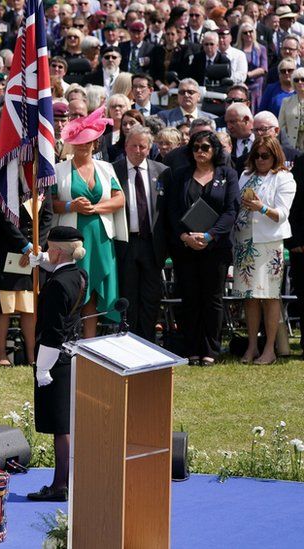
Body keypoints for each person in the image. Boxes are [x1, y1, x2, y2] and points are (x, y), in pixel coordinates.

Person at [163, 130, 239, 365]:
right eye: (196, 147)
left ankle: (210, 350)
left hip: (215, 248)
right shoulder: (181, 175)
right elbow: (172, 210)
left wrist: (209, 236)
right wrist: (185, 236)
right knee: (189, 297)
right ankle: (191, 349)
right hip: (185, 247)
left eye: (205, 147)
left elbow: (231, 210)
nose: (200, 151)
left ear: (215, 150)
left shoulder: (228, 174)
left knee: (212, 298)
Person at [26, 226, 88, 503]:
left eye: (48, 249)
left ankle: (59, 485)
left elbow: (52, 332)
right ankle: (64, 481)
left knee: (60, 426)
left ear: (56, 251)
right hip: (71, 354)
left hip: (54, 360)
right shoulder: (79, 275)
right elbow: (61, 275)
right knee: (65, 424)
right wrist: (44, 263)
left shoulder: (56, 286)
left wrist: (42, 368)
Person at [52, 107, 127, 337]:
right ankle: (68, 337)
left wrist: (95, 208)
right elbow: (51, 203)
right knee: (74, 287)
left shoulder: (106, 168)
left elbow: (120, 198)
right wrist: (70, 206)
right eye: (78, 141)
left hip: (100, 235)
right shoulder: (59, 170)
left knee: (94, 288)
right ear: (71, 143)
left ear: (95, 143)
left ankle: (89, 342)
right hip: (72, 237)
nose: (83, 145)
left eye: (88, 141)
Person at [234, 137, 296, 365]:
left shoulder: (284, 178)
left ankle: (269, 349)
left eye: (265, 156)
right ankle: (252, 346)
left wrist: (260, 207)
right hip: (244, 242)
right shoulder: (245, 175)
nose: (260, 160)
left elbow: (281, 214)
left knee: (269, 297)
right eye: (257, 155)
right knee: (249, 298)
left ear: (275, 156)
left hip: (269, 244)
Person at [112, 126, 169, 342]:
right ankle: (129, 339)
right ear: (125, 146)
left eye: (142, 146)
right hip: (126, 242)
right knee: (128, 296)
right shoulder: (113, 170)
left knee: (151, 296)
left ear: (150, 147)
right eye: (133, 145)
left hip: (153, 245)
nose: (138, 150)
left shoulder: (162, 171)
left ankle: (147, 341)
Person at [0, 190, 53, 366]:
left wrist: (37, 247)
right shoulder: (7, 181)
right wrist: (25, 246)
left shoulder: (43, 183)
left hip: (34, 256)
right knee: (4, 307)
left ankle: (32, 355)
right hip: (8, 252)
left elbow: (48, 216)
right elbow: (4, 217)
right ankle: (1, 353)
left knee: (30, 307)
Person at [277, 68, 304, 151]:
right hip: (291, 146)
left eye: (303, 79)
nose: (300, 82)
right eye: (296, 80)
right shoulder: (286, 102)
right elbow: (281, 125)